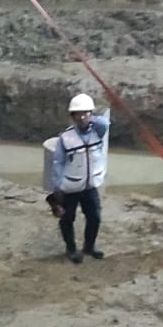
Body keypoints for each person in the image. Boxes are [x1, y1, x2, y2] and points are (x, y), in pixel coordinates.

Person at [48, 93, 110, 264]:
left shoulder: (98, 130)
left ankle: (89, 246)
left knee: (95, 217)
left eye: (86, 113)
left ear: (91, 114)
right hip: (71, 187)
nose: (82, 117)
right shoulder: (65, 138)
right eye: (78, 114)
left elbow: (104, 123)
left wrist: (92, 117)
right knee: (67, 218)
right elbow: (58, 163)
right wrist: (56, 187)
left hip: (90, 186)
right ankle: (71, 249)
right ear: (72, 116)